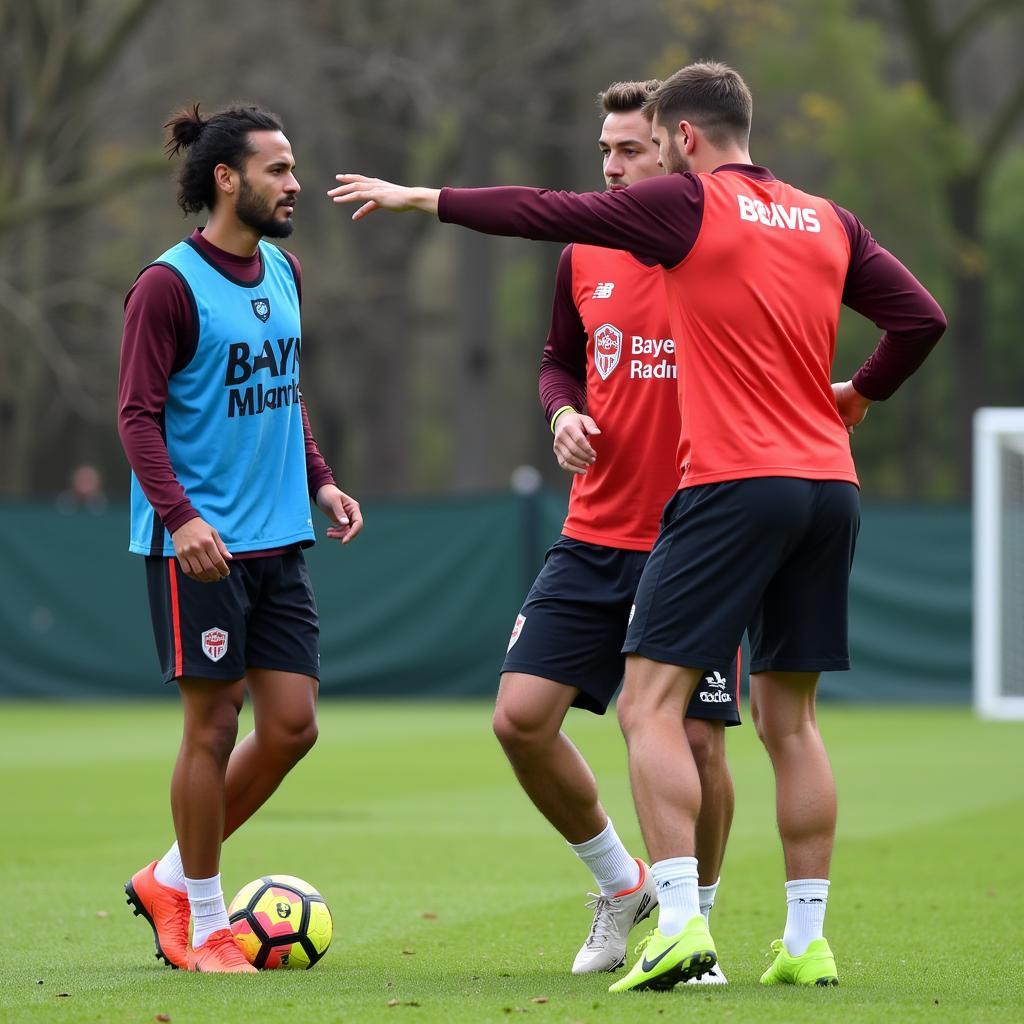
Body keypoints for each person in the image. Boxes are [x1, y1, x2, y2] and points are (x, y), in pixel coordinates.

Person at [327, 60, 946, 992]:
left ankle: (685, 924)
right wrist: (861, 391)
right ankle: (804, 938)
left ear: (683, 139)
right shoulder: (825, 217)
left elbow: (539, 209)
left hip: (727, 493)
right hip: (828, 485)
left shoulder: (690, 210)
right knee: (795, 721)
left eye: (647, 144)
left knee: (649, 709)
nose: (630, 163)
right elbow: (922, 316)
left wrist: (426, 196)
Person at [493, 79, 738, 982]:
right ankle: (621, 883)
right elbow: (560, 360)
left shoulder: (718, 249)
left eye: (629, 150)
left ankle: (694, 928)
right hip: (593, 535)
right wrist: (560, 412)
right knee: (520, 721)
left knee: (702, 744)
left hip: (696, 536)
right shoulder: (584, 251)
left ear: (674, 150)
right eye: (603, 150)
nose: (611, 166)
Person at [119, 103, 362, 974]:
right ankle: (207, 922)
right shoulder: (168, 285)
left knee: (292, 727)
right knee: (213, 726)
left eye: (294, 168)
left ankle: (169, 876)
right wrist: (181, 519)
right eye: (279, 169)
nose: (295, 183)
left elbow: (286, 392)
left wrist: (321, 479)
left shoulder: (286, 272)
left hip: (278, 539)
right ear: (227, 179)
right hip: (200, 547)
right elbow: (136, 418)